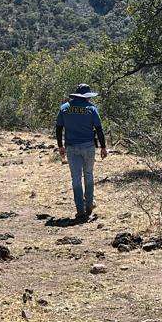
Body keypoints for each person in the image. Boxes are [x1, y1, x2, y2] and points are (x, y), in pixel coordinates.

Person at [55, 83, 107, 221]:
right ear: (86, 96)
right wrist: (103, 147)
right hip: (88, 146)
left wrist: (60, 146)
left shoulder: (64, 108)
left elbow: (59, 128)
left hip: (71, 148)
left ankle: (80, 210)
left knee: (76, 178)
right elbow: (99, 129)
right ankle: (89, 204)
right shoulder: (91, 109)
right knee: (88, 174)